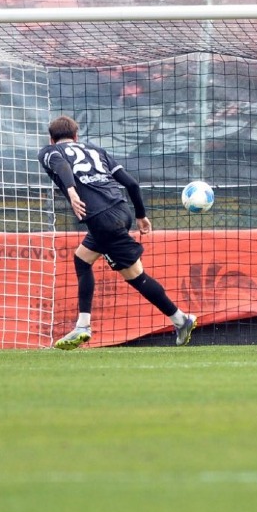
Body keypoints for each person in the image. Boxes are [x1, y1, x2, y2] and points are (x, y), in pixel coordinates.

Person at [38, 115, 196, 350]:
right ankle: (83, 324)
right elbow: (132, 184)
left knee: (136, 276)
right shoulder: (96, 150)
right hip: (121, 211)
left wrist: (71, 191)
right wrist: (141, 215)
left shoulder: (48, 151)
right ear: (76, 136)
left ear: (52, 139)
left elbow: (61, 166)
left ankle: (181, 319)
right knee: (82, 258)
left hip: (102, 220)